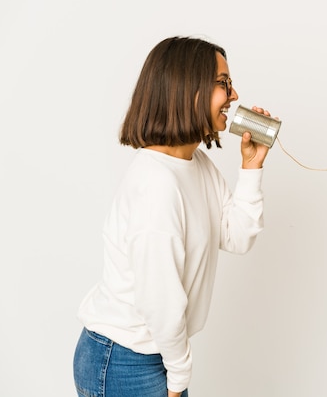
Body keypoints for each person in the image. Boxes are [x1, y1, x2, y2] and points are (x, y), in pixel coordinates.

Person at [73, 36, 275, 397]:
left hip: (153, 354)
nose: (235, 95)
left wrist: (251, 167)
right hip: (124, 360)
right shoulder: (157, 184)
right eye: (224, 83)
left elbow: (237, 234)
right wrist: (179, 379)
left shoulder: (195, 164)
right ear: (188, 89)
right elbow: (160, 301)